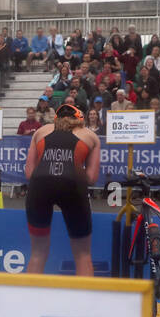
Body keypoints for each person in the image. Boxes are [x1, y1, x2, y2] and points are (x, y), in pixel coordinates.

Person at [23, 104, 101, 277]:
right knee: (83, 255)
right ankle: (84, 301)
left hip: (40, 185)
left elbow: (29, 173)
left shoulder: (41, 131)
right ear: (80, 120)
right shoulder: (90, 135)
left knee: (37, 252)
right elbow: (91, 178)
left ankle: (29, 300)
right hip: (73, 184)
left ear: (55, 119)